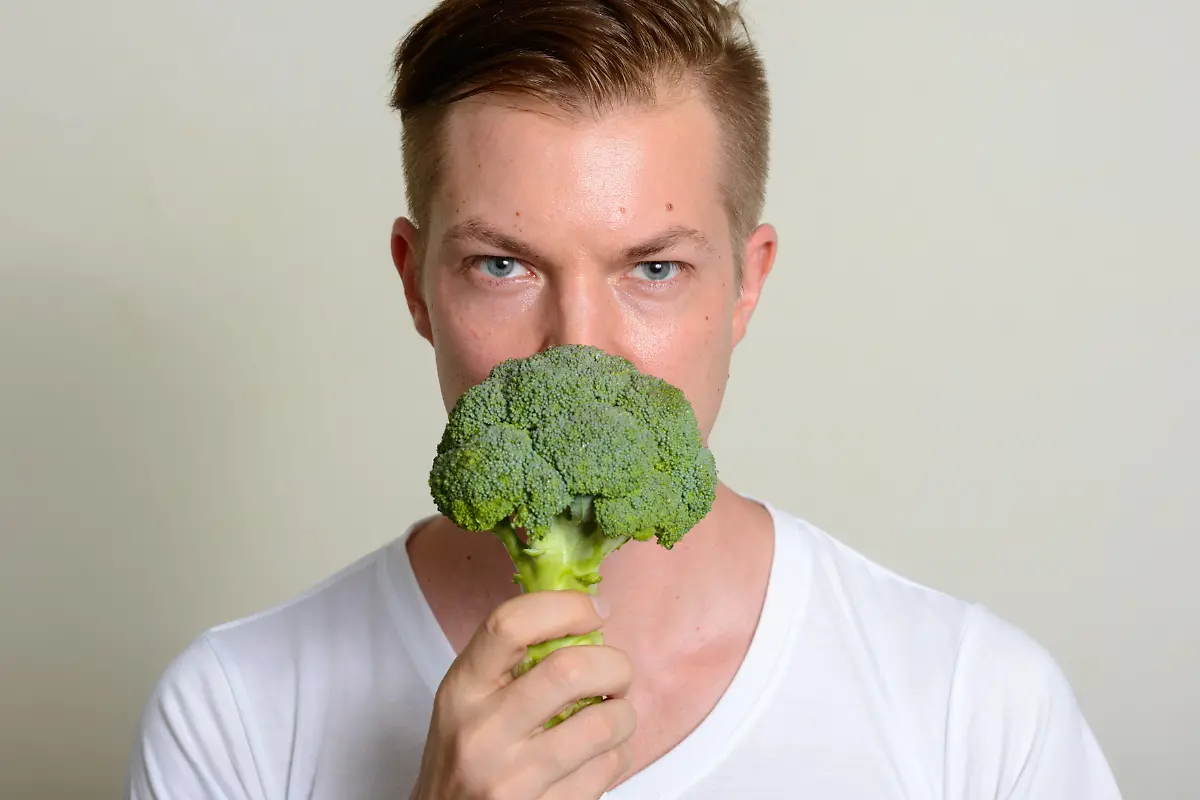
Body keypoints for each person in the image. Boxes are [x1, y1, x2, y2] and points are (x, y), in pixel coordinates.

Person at [126, 1, 1123, 797]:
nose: (580, 345)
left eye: (652, 268)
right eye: (503, 264)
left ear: (748, 282)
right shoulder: (234, 714)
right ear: (414, 283)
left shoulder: (976, 708)